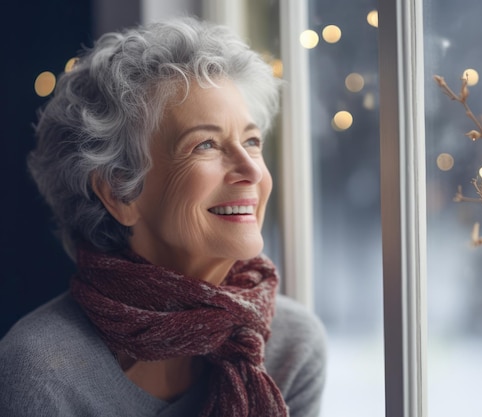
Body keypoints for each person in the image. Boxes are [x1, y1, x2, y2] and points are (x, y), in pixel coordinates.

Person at [0, 16, 326, 417]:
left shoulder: (291, 344)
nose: (252, 170)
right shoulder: (40, 370)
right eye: (205, 144)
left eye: (252, 141)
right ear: (120, 192)